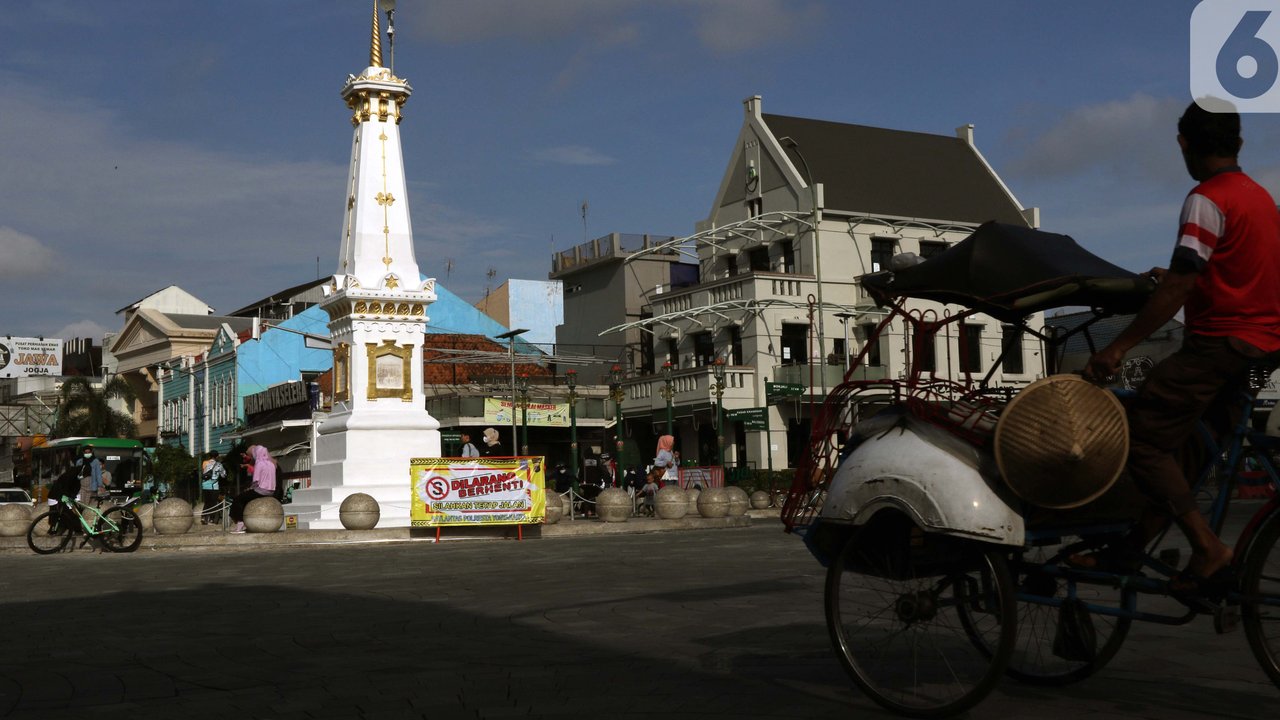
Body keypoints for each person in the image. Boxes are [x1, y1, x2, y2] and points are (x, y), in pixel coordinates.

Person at [1082, 100, 1280, 601]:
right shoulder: (1260, 199)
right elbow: (1222, 272)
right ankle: (1135, 546)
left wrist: (1118, 348)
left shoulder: (1206, 200)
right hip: (1261, 344)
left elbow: (1180, 289)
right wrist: (1172, 276)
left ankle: (1209, 548)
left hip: (1221, 345)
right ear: (1237, 144)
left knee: (1142, 438)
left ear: (1183, 144)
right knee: (1187, 450)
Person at [228, 445, 277, 533]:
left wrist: (250, 488)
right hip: (271, 491)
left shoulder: (259, 463)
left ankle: (240, 522)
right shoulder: (271, 464)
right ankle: (245, 522)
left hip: (261, 491)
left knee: (238, 499)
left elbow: (256, 480)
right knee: (246, 498)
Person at [200, 451, 227, 525]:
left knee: (207, 502)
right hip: (214, 486)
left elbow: (203, 472)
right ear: (217, 456)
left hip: (205, 486)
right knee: (213, 503)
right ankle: (211, 520)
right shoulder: (219, 464)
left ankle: (203, 517)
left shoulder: (205, 462)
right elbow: (223, 475)